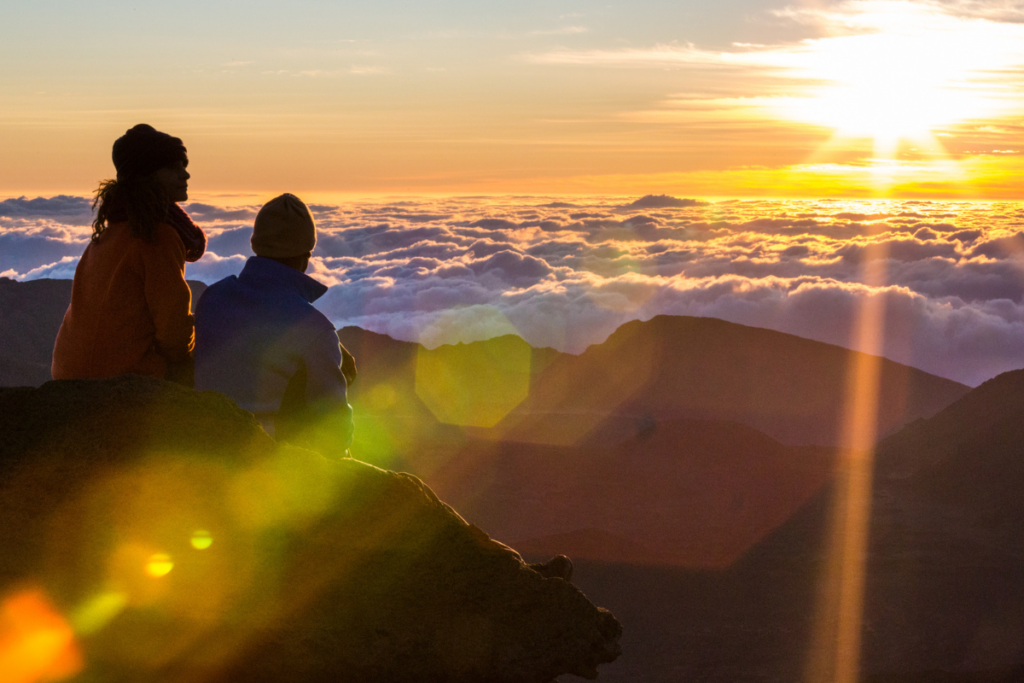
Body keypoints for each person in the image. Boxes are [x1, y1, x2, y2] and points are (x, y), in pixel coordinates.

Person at [193, 193, 355, 458]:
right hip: (264, 465)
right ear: (306, 256)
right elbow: (335, 435)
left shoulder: (212, 297)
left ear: (257, 246)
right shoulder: (315, 330)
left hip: (201, 447)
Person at [52, 124, 205, 384]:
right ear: (147, 176)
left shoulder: (109, 233)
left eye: (184, 165)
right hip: (120, 377)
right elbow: (173, 329)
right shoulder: (157, 236)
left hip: (68, 373)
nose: (186, 174)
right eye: (173, 167)